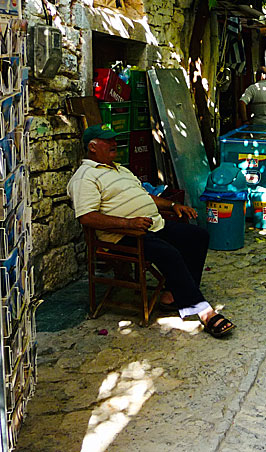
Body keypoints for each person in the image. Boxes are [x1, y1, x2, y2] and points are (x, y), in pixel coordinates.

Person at [67, 125, 235, 338]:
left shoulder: (120, 169)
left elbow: (146, 197)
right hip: (122, 236)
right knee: (169, 253)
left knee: (198, 237)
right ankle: (205, 312)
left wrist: (172, 206)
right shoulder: (85, 176)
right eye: (107, 141)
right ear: (92, 147)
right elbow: (87, 217)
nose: (113, 144)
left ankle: (174, 295)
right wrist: (129, 224)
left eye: (113, 140)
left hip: (151, 224)